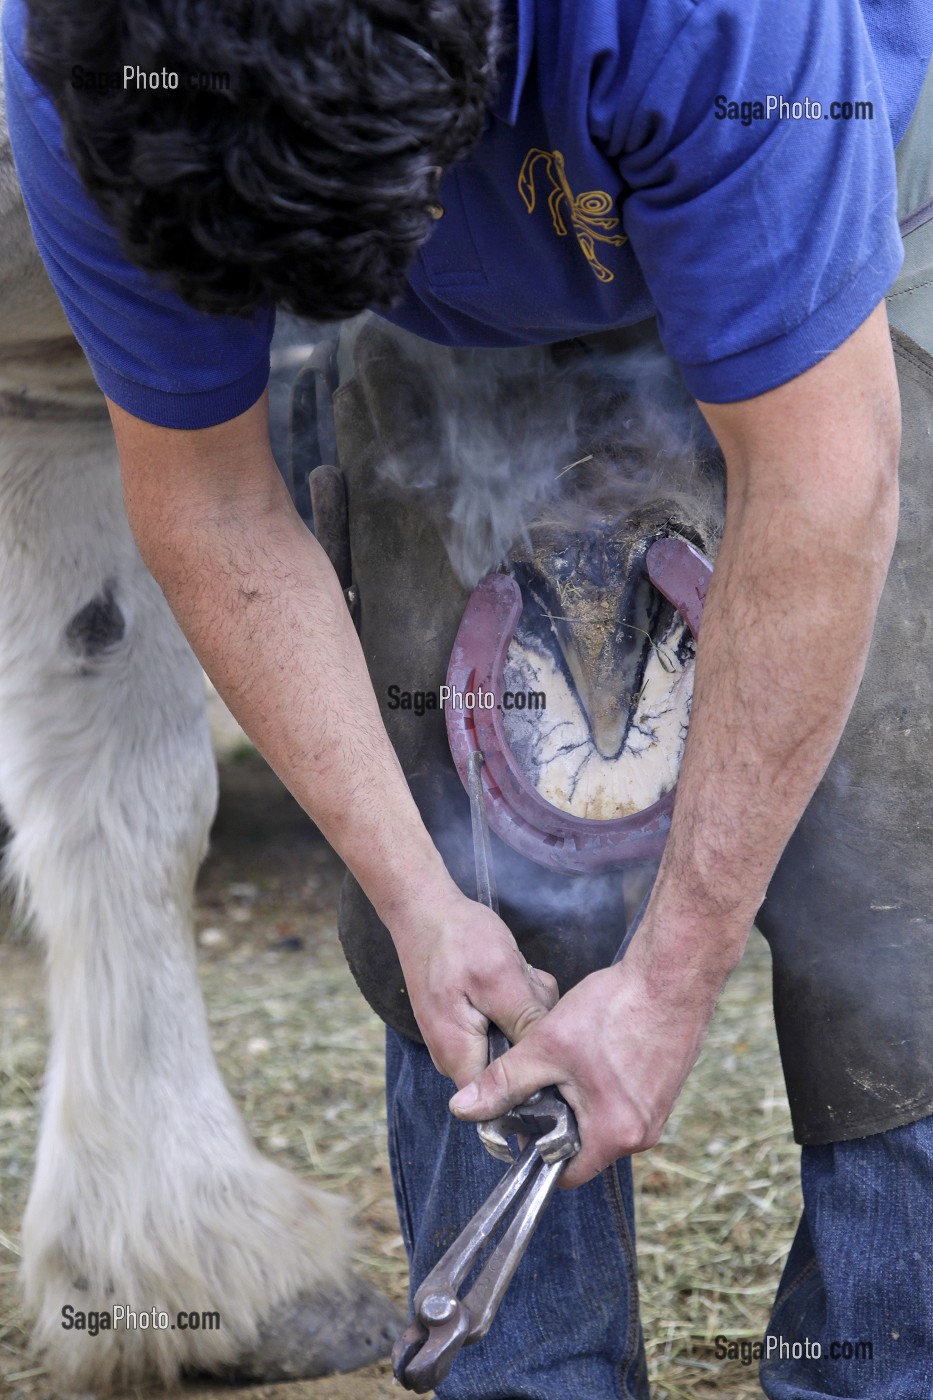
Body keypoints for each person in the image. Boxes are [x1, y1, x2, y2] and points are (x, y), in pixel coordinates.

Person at [3, 0, 933, 1394]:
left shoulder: (722, 26)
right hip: (414, 249)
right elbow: (207, 499)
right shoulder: (96, 75)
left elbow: (821, 481)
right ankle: (531, 1376)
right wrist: (418, 899)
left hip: (833, 188)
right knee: (463, 841)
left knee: (888, 863)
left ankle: (880, 1364)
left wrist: (675, 970)